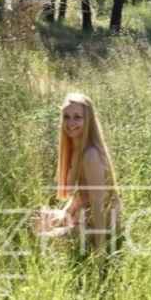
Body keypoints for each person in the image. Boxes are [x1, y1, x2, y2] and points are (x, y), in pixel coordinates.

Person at [34, 92, 122, 256]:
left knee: (42, 239)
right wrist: (64, 215)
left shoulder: (90, 155)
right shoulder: (75, 148)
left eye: (77, 117)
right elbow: (79, 195)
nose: (71, 123)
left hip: (97, 226)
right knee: (36, 220)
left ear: (88, 120)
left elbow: (98, 206)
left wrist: (99, 251)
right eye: (66, 117)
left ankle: (82, 250)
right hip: (81, 216)